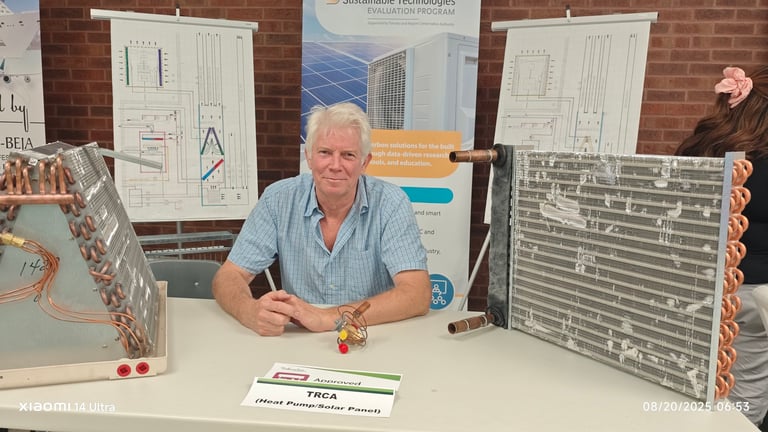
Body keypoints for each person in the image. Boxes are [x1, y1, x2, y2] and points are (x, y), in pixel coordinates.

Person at [212, 102, 432, 337]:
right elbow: (227, 277)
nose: (335, 166)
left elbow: (417, 294)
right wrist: (249, 311)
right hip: (300, 337)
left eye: (348, 155)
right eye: (325, 152)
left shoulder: (391, 203)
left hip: (372, 335)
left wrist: (327, 318)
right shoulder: (278, 199)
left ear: (364, 162)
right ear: (309, 157)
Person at [675, 65, 768, 430]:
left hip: (697, 286)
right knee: (746, 390)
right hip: (754, 294)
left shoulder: (699, 149)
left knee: (696, 381)